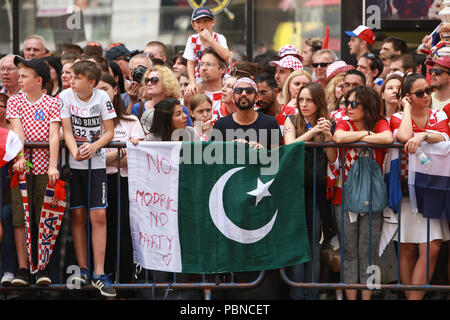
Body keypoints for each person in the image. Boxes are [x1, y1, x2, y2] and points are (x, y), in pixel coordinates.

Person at [59, 60, 117, 297]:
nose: (71, 81)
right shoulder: (65, 96)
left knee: (99, 215)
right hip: (74, 165)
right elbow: (67, 130)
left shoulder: (102, 98)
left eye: (77, 77)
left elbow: (110, 131)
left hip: (97, 163)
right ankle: (83, 269)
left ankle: (99, 273)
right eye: (71, 77)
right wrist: (74, 151)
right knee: (78, 215)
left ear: (91, 82)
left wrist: (93, 147)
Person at [390, 73, 450, 300]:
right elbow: (404, 135)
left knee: (432, 246)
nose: (427, 95)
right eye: (419, 93)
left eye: (428, 90)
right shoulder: (397, 117)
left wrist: (423, 135)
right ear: (407, 97)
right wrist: (406, 109)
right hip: (408, 187)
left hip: (434, 186)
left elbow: (445, 138)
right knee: (407, 247)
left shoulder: (438, 114)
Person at [333, 86, 394, 300]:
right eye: (346, 103)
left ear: (367, 106)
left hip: (372, 197)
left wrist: (360, 136)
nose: (348, 108)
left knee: (368, 252)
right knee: (349, 251)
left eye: (354, 104)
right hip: (344, 196)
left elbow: (387, 138)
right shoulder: (343, 122)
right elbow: (339, 138)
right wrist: (368, 135)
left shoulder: (379, 123)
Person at [6, 57, 60, 286]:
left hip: (44, 167)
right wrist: (19, 158)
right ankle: (22, 268)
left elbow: (54, 134)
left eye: (24, 75)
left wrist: (53, 165)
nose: (20, 78)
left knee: (43, 216)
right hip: (23, 166)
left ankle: (42, 268)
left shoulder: (52, 103)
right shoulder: (15, 101)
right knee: (20, 218)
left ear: (38, 80)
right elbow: (17, 130)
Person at [283, 82, 337, 300]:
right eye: (301, 100)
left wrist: (326, 135)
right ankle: (296, 293)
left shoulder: (328, 123)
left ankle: (312, 293)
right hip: (294, 189)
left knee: (314, 242)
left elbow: (333, 158)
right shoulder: (291, 120)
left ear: (319, 103)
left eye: (309, 100)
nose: (304, 104)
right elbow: (288, 147)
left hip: (317, 189)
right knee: (297, 242)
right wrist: (312, 132)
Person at [97, 72, 145, 290]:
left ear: (116, 90)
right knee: (101, 233)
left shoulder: (131, 121)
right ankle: (102, 281)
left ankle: (127, 285)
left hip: (125, 183)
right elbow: (92, 157)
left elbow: (138, 158)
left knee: (125, 233)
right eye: (96, 89)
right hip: (99, 182)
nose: (101, 94)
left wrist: (110, 155)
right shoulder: (90, 123)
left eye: (105, 89)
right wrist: (122, 151)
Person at [212, 77, 282, 150]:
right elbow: (214, 156)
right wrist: (229, 147)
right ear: (233, 98)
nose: (244, 94)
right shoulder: (221, 124)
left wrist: (263, 151)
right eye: (238, 91)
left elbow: (278, 157)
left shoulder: (270, 123)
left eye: (249, 91)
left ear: (256, 98)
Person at [183, 7, 230, 96]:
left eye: (206, 21)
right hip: (201, 75)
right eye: (198, 22)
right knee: (193, 92)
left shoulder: (219, 37)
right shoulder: (192, 39)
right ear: (193, 26)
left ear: (213, 22)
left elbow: (226, 56)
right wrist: (192, 82)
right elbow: (190, 63)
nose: (202, 25)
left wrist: (210, 39)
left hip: (222, 74)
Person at [133, 65, 192, 130]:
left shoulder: (180, 109)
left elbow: (189, 134)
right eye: (147, 80)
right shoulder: (138, 108)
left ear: (166, 82)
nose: (149, 83)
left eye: (154, 80)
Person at [0, 92, 18, 286]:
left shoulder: (15, 132)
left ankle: (9, 270)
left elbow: (25, 162)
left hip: (10, 191)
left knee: (7, 220)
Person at [198, 47, 227, 112]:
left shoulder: (230, 96)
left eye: (209, 64)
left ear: (222, 69)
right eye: (201, 64)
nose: (203, 68)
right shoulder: (194, 94)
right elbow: (192, 121)